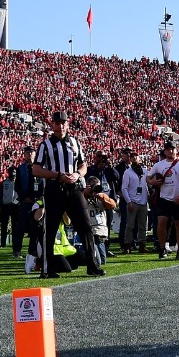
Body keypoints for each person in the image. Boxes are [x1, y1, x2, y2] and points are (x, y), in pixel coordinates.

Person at [30, 111, 105, 277]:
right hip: (54, 189)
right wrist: (57, 175)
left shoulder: (74, 142)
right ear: (52, 125)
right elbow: (36, 169)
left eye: (63, 123)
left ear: (67, 124)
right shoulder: (45, 145)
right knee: (49, 229)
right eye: (57, 123)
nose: (61, 126)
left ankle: (93, 266)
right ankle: (47, 269)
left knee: (86, 226)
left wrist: (78, 174)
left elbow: (83, 165)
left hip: (74, 189)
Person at [147, 141, 179, 260]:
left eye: (172, 149)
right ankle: (162, 247)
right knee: (161, 223)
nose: (170, 151)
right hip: (164, 198)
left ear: (176, 150)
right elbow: (148, 177)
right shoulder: (159, 165)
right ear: (164, 151)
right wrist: (152, 182)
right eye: (168, 149)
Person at [83, 176, 118, 266]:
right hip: (91, 230)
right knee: (98, 262)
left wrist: (102, 197)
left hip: (101, 231)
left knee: (103, 261)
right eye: (93, 186)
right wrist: (85, 193)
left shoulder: (102, 196)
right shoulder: (82, 196)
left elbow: (113, 205)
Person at [121, 154, 150, 253]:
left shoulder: (144, 171)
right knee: (130, 225)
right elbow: (124, 188)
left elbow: (149, 182)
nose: (134, 158)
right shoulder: (128, 172)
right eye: (132, 157)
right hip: (133, 201)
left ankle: (142, 244)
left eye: (136, 156)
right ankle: (127, 245)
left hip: (143, 201)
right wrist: (129, 201)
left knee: (143, 225)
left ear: (139, 158)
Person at [0, 167, 23, 258]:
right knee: (4, 225)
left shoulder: (19, 182)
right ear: (8, 172)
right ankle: (3, 243)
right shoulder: (4, 183)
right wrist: (0, 206)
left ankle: (14, 244)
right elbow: (0, 195)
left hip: (15, 206)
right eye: (11, 171)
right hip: (5, 206)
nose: (13, 173)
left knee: (15, 227)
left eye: (14, 171)